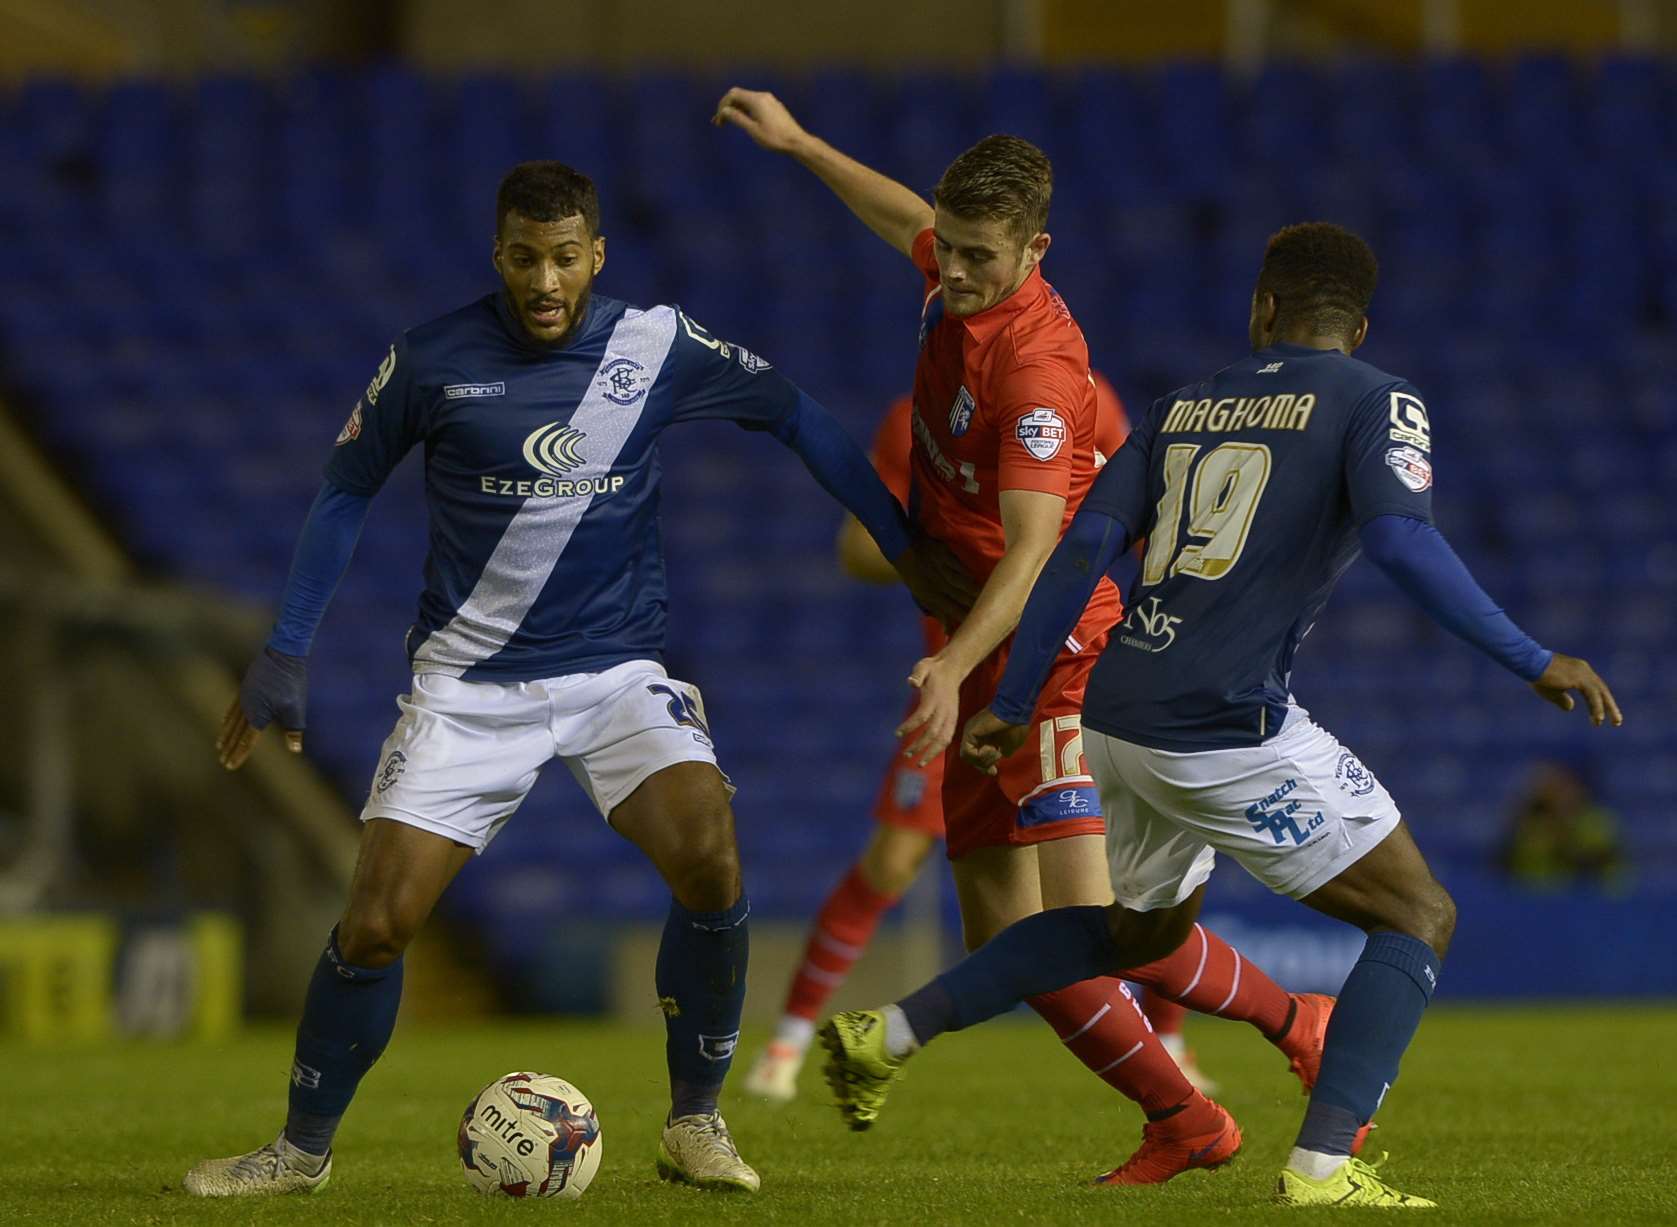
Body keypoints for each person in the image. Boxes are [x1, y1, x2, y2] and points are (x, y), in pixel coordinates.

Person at [188, 160, 967, 1199]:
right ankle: (299, 1153)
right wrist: (287, 649)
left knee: (709, 858)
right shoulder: (431, 360)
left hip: (616, 675)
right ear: (499, 255)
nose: (545, 281)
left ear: (596, 254)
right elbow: (344, 491)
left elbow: (798, 416)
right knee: (375, 925)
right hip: (468, 686)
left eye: (565, 258)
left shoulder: (658, 346)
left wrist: (904, 544)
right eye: (524, 258)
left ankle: (695, 1122)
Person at [819, 222, 1623, 1209]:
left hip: (1114, 708)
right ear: (1359, 327)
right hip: (1224, 722)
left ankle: (889, 1031)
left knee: (1129, 937)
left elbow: (1081, 553)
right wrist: (1534, 659)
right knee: (1419, 915)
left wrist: (1018, 700)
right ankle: (1325, 1167)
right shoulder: (1376, 400)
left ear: (1263, 311)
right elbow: (1405, 546)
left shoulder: (1184, 404)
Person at [717, 90, 1329, 1184]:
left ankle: (1297, 1021)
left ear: (1035, 250)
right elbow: (899, 213)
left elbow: (1036, 552)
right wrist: (804, 144)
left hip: (1055, 649)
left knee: (1087, 928)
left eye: (980, 258)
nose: (952, 272)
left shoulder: (1038, 370)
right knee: (1007, 946)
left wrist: (955, 664)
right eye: (947, 250)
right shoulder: (952, 271)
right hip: (981, 637)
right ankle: (1186, 1122)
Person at [745, 381, 1221, 1101]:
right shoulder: (912, 420)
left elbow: (1139, 520)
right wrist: (940, 551)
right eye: (949, 264)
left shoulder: (1080, 399)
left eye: (976, 259)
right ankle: (787, 1041)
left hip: (1061, 670)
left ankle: (1182, 1050)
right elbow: (857, 550)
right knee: (908, 871)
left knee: (1111, 891)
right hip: (956, 689)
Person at [1498, 761, 1628, 891]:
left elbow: (1603, 861)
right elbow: (1511, 861)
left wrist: (1566, 844)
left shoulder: (1596, 821)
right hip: (1532, 897)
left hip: (1588, 900)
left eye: (1563, 786)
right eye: (1549, 786)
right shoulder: (1529, 822)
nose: (1558, 793)